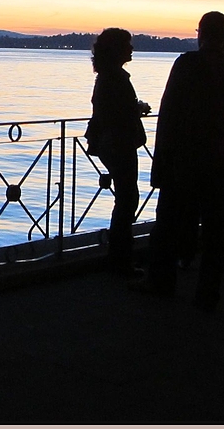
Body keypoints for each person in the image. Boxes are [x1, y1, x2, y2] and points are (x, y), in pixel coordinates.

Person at [134, 12, 224, 311]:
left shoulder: (186, 65)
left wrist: (160, 163)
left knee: (169, 224)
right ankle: (208, 293)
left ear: (201, 34)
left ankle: (161, 281)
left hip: (183, 161)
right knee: (214, 228)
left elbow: (169, 115)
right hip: (220, 164)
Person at [84, 28, 150, 276]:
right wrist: (137, 109)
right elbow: (118, 112)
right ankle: (120, 257)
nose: (131, 49)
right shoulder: (115, 78)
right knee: (127, 199)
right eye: (128, 45)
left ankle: (120, 255)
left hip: (111, 143)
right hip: (119, 143)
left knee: (126, 198)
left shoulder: (107, 76)